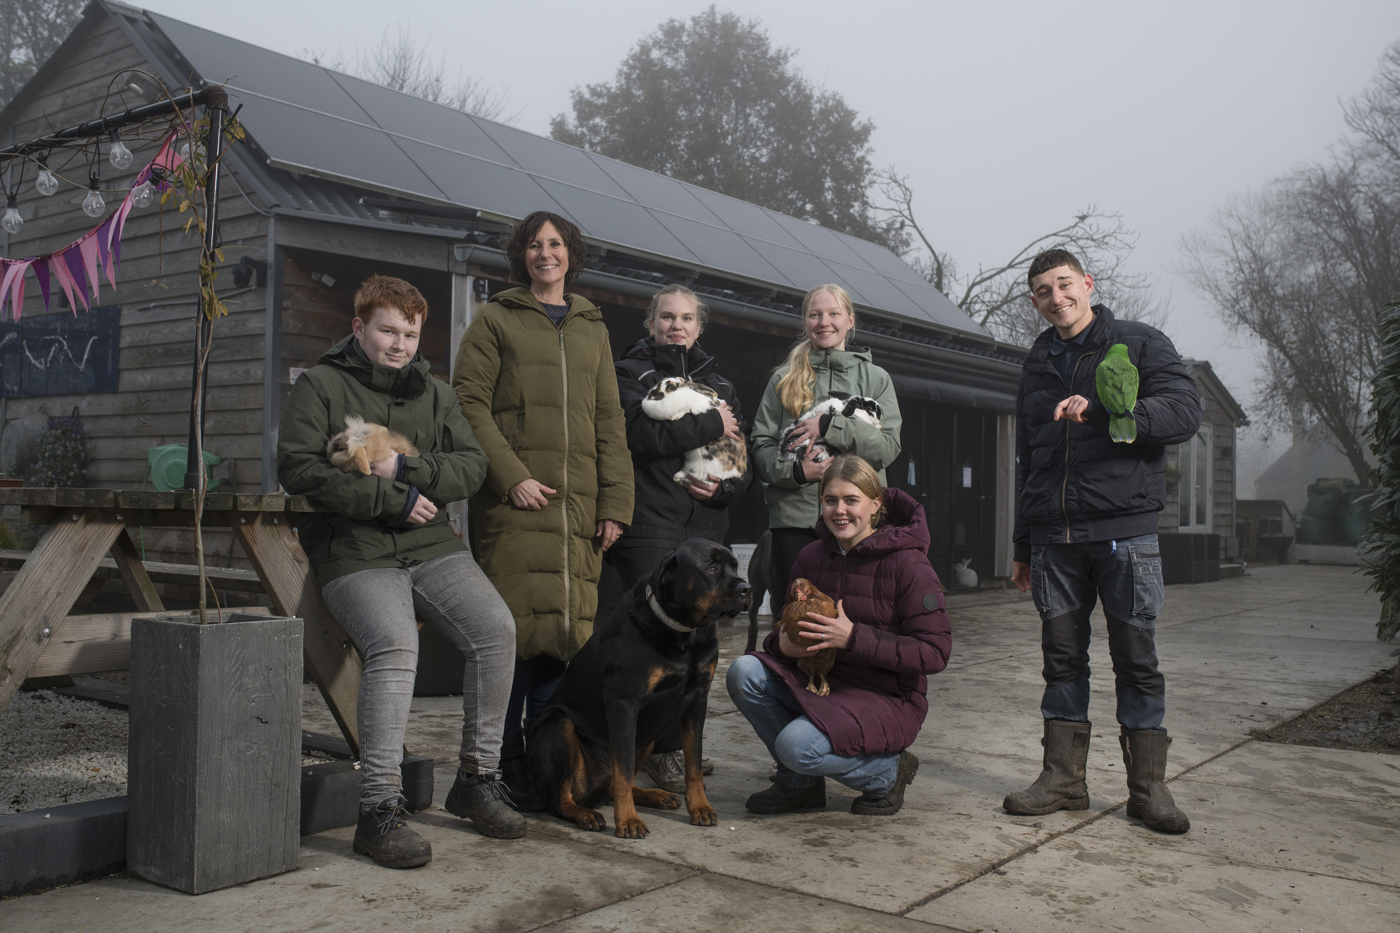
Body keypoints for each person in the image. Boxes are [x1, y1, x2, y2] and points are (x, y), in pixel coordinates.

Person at [278, 275, 521, 870]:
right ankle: (379, 809)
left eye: (410, 334)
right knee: (395, 644)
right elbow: (299, 470)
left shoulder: (436, 394)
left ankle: (477, 779)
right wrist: (390, 498)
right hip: (353, 549)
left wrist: (405, 469)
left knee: (496, 630)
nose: (400, 344)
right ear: (358, 327)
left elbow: (471, 467)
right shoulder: (320, 385)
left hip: (430, 543)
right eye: (388, 331)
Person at [1004, 248, 1201, 834]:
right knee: (1062, 661)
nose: (1056, 297)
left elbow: (1184, 412)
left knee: (1136, 660)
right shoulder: (1037, 362)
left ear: (1087, 283)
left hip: (1124, 535)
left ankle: (1148, 790)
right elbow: (1029, 457)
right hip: (1053, 540)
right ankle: (1063, 780)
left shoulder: (1139, 343)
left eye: (1064, 283)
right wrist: (1022, 544)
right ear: (1035, 301)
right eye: (1043, 290)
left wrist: (1113, 410)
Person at [452, 211, 634, 810]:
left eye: (555, 243)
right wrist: (512, 479)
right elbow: (467, 404)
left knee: (562, 637)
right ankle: (496, 768)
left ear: (570, 254)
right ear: (520, 255)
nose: (545, 253)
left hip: (576, 512)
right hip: (516, 507)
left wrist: (615, 504)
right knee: (509, 639)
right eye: (534, 244)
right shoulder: (495, 319)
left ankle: (544, 770)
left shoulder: (592, 327)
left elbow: (609, 419)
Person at [727, 454, 950, 816]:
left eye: (851, 500)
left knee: (796, 747)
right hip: (822, 683)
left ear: (875, 504)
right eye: (831, 500)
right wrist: (782, 645)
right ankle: (799, 785)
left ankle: (888, 772)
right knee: (744, 672)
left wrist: (853, 638)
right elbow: (785, 623)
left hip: (885, 695)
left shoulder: (909, 564)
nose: (840, 511)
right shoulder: (810, 556)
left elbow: (935, 653)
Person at [608, 283, 753, 792]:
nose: (676, 326)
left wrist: (725, 487)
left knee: (697, 651)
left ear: (699, 326)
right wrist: (712, 422)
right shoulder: (629, 373)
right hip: (651, 526)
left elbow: (742, 458)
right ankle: (654, 752)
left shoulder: (720, 382)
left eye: (686, 318)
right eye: (667, 317)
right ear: (651, 323)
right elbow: (638, 435)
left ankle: (672, 749)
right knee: (651, 650)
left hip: (707, 531)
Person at [750, 284, 902, 608]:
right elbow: (761, 444)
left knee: (860, 614)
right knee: (794, 616)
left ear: (850, 320)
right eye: (815, 315)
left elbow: (888, 447)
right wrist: (796, 472)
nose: (824, 322)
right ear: (805, 321)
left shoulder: (876, 379)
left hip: (859, 521)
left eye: (834, 313)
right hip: (795, 523)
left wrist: (831, 426)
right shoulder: (783, 379)